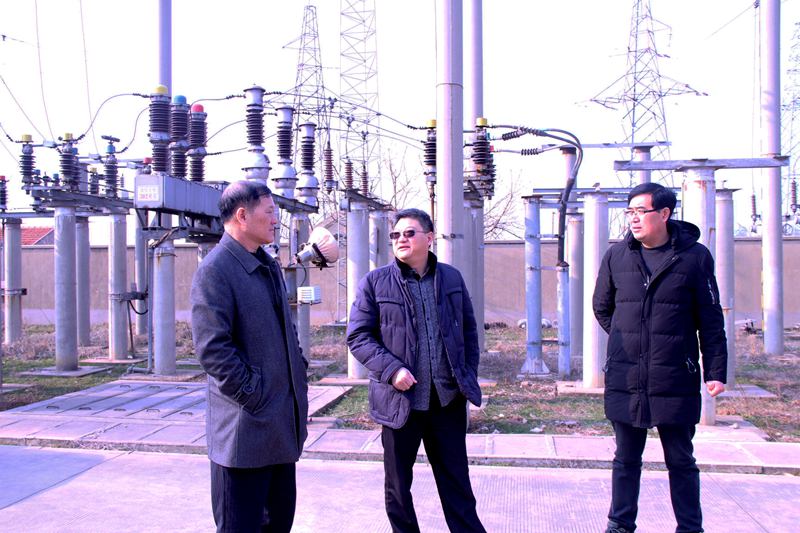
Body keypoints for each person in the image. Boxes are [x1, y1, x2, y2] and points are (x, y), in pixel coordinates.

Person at [592, 182, 727, 533]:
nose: (634, 219)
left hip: (675, 376)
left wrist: (715, 370)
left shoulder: (694, 258)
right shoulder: (617, 256)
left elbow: (711, 318)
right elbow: (602, 307)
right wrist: (631, 339)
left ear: (664, 214)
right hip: (627, 376)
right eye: (630, 212)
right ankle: (620, 524)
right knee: (625, 459)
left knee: (681, 460)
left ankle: (690, 527)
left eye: (641, 211)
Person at [347, 208, 486, 533]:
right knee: (398, 489)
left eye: (409, 233)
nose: (401, 239)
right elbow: (358, 337)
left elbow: (469, 332)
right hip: (400, 404)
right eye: (395, 234)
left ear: (429, 238)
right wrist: (392, 370)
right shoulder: (375, 282)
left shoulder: (451, 279)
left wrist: (466, 374)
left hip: (446, 401)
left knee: (457, 486)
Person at [191, 180, 308, 533]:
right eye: (269, 212)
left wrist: (298, 370)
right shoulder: (216, 270)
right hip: (243, 434)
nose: (275, 220)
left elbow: (286, 331)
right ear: (242, 216)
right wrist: (255, 395)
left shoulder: (267, 265)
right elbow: (213, 349)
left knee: (279, 524)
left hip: (280, 429)